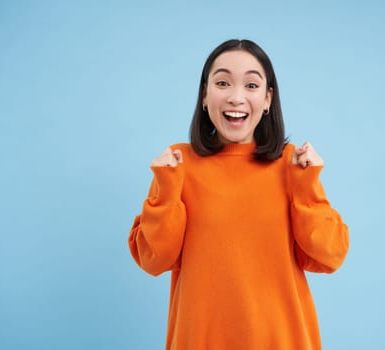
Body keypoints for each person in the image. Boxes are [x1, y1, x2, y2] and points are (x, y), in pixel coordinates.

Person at [128, 39, 350, 350]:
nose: (236, 97)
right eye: (222, 82)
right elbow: (154, 259)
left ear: (268, 98)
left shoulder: (292, 165)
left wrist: (307, 186)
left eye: (251, 85)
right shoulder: (178, 164)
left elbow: (329, 255)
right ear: (205, 95)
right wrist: (165, 192)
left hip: (283, 340)